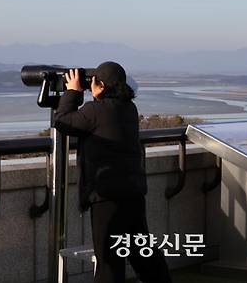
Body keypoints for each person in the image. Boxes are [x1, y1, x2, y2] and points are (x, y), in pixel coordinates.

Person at [54, 61, 172, 283]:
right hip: (133, 192)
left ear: (99, 85)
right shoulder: (129, 108)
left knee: (109, 259)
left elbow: (62, 121)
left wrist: (72, 91)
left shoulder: (95, 111)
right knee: (142, 253)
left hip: (107, 196)